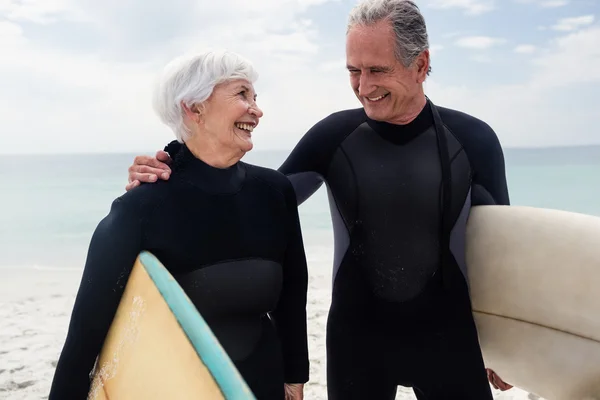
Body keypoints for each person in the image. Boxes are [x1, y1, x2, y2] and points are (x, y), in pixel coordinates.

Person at [126, 1, 515, 399]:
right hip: (358, 341)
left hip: (449, 338)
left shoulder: (473, 140)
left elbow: (500, 251)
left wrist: (512, 343)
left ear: (420, 64)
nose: (363, 87)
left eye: (377, 70)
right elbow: (253, 201)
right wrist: (172, 172)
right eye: (353, 71)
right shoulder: (333, 137)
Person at [49, 50, 310, 400]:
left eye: (255, 96)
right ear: (194, 107)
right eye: (242, 94)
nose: (257, 110)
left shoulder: (274, 192)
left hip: (260, 383)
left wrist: (295, 375)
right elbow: (85, 337)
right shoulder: (142, 207)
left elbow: (292, 295)